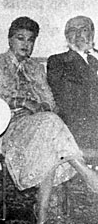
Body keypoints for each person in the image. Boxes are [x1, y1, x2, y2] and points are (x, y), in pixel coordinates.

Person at [0, 16, 98, 224]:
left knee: (49, 136)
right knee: (50, 125)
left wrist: (41, 108)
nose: (26, 45)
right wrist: (24, 102)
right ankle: (87, 174)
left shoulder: (36, 68)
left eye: (30, 40)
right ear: (10, 40)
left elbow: (50, 102)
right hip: (9, 127)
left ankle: (42, 214)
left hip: (40, 126)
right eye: (20, 38)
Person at [47, 16, 98, 155]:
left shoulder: (95, 61)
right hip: (78, 125)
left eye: (84, 29)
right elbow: (66, 99)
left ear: (92, 34)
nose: (78, 34)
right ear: (66, 36)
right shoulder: (58, 61)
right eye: (73, 30)